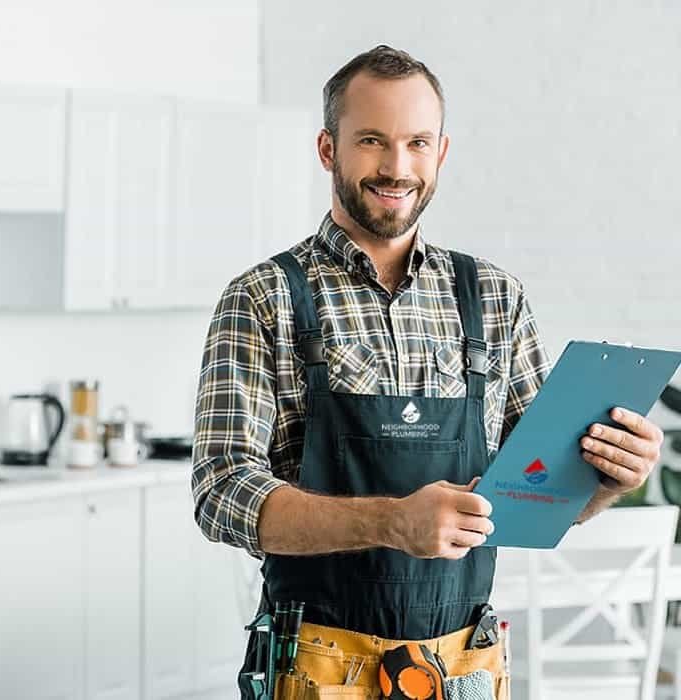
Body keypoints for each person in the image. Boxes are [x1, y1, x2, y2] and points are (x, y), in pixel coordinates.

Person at [192, 45, 664, 699]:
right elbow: (220, 493)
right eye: (372, 141)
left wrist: (612, 478)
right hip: (317, 670)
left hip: (464, 668)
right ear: (328, 149)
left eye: (418, 142)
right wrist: (388, 522)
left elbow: (539, 495)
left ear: (441, 152)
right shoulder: (264, 296)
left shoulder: (495, 297)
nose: (397, 167)